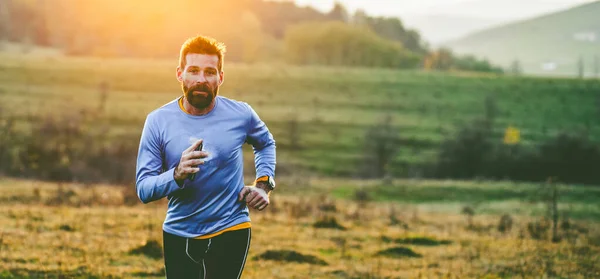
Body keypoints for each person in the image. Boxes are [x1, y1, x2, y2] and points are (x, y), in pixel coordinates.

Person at [135, 34, 276, 279]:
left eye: (210, 72)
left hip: (232, 226)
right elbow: (144, 189)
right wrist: (176, 175)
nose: (201, 80)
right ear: (180, 74)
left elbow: (266, 144)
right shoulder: (158, 121)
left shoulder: (241, 114)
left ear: (220, 77)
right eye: (194, 71)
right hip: (180, 231)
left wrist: (263, 185)